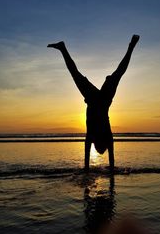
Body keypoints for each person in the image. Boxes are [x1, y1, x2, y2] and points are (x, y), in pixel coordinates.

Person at [47, 34, 140, 171]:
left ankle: (131, 47)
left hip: (102, 100)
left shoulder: (102, 136)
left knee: (117, 73)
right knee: (76, 74)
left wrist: (91, 170)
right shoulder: (94, 136)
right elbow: (99, 161)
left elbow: (110, 161)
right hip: (96, 100)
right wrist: (88, 169)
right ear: (97, 143)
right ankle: (63, 48)